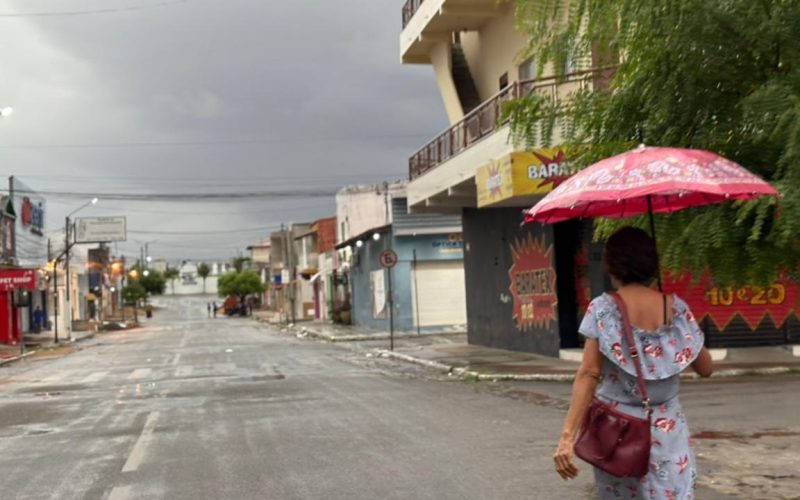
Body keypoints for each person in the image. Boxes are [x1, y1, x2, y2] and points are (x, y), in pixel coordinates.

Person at [554, 227, 713, 499]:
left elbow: (589, 374)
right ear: (651, 263)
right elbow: (706, 368)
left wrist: (567, 437)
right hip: (668, 432)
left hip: (616, 433)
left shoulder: (603, 309)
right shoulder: (676, 308)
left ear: (610, 263)